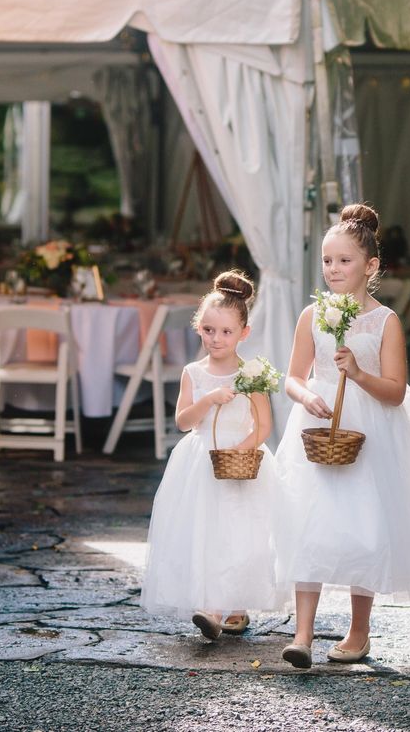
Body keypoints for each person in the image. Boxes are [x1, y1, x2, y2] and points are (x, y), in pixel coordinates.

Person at [273, 204, 410, 668]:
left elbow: (394, 391)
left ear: (370, 266)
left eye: (344, 260)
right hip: (318, 425)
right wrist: (305, 396)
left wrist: (360, 373)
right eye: (328, 261)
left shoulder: (385, 321)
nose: (333, 269)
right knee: (308, 523)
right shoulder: (313, 314)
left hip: (368, 428)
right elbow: (292, 376)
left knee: (363, 528)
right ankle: (302, 634)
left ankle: (358, 630)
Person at [141, 270, 281, 639]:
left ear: (243, 333)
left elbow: (264, 424)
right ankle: (211, 606)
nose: (216, 339)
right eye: (208, 330)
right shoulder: (193, 372)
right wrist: (207, 399)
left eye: (225, 332)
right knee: (206, 531)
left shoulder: (251, 373)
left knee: (241, 531)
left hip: (240, 460)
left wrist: (243, 449)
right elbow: (184, 421)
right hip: (201, 461)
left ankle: (237, 604)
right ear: (198, 327)